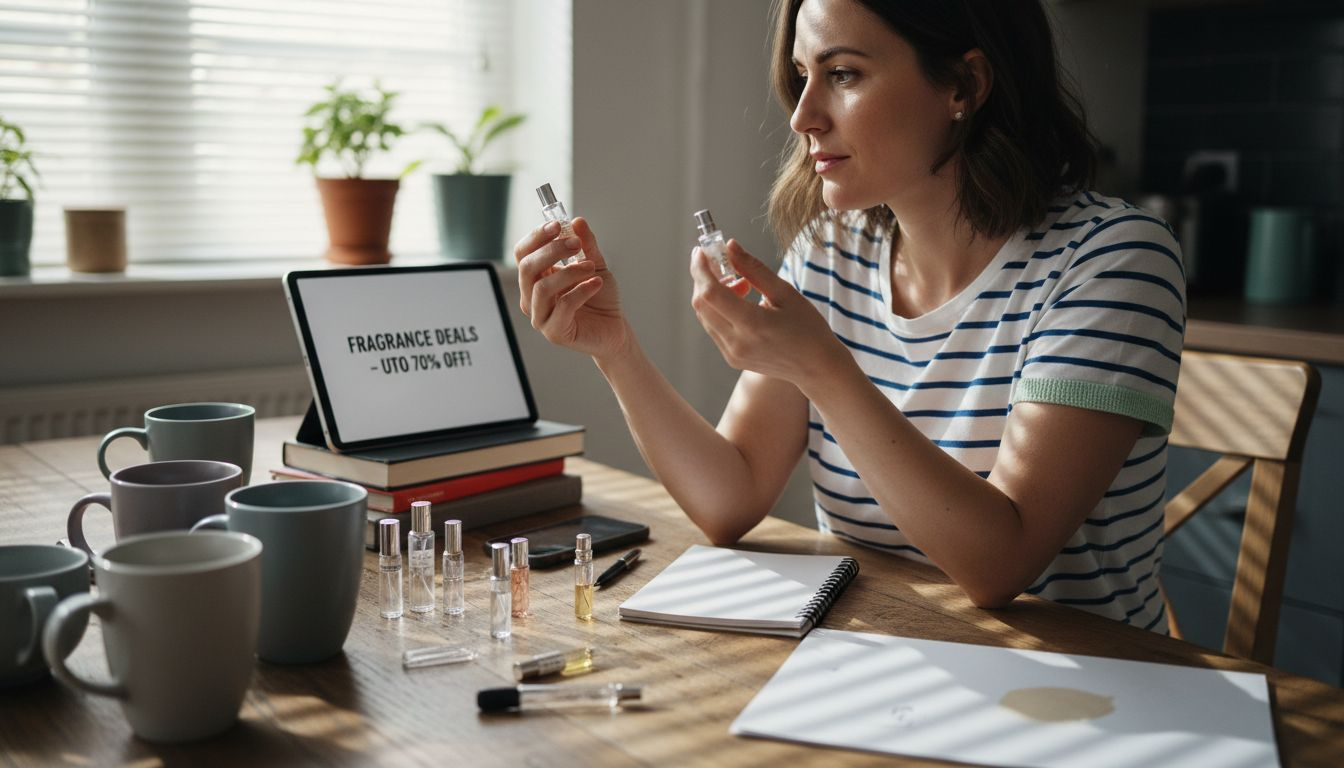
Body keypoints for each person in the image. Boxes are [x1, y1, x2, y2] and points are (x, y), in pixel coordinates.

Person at [514, 0, 1183, 632]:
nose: (803, 115)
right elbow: (729, 499)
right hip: (883, 652)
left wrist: (822, 368)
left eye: (842, 74)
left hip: (1084, 689)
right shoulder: (834, 252)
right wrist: (615, 349)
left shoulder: (1112, 259)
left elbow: (999, 565)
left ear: (964, 85)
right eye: (803, 77)